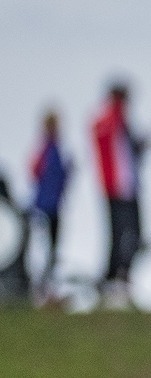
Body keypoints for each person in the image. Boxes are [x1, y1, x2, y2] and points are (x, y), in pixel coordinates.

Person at [91, 80, 146, 306]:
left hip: (126, 187)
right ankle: (115, 277)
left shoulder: (119, 120)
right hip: (117, 188)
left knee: (131, 234)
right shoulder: (110, 118)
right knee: (121, 234)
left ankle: (120, 275)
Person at [28, 110, 69, 296]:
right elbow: (36, 172)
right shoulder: (47, 150)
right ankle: (44, 285)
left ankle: (48, 283)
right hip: (46, 207)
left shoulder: (53, 149)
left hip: (53, 206)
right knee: (45, 248)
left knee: (51, 248)